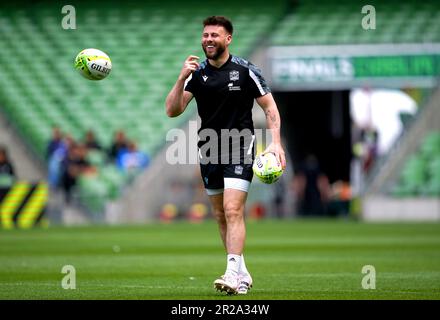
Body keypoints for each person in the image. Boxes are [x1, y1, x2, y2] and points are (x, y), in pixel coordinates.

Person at [165, 16, 286, 295]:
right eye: (205, 35)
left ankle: (231, 273)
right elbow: (173, 110)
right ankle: (241, 274)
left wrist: (276, 144)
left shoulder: (245, 71)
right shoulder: (196, 74)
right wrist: (181, 77)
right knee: (220, 215)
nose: (208, 40)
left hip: (240, 145)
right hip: (208, 148)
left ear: (228, 39)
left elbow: (270, 107)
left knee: (233, 210)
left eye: (214, 35)